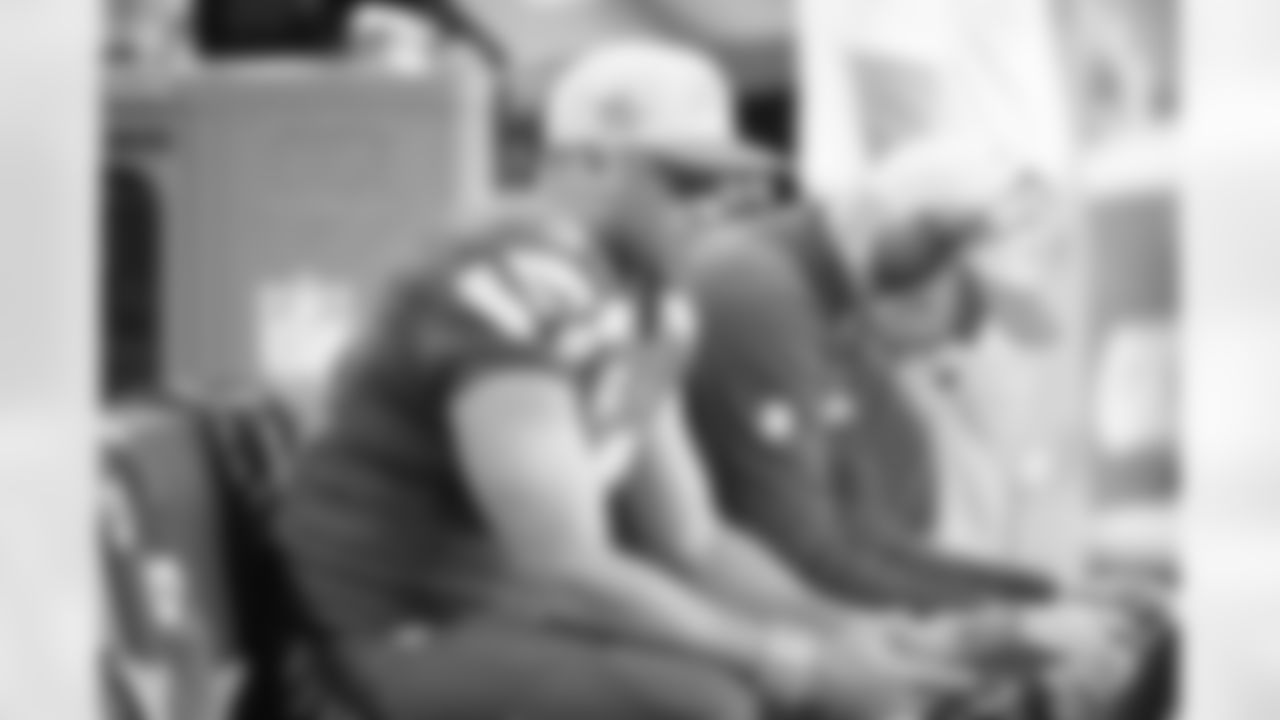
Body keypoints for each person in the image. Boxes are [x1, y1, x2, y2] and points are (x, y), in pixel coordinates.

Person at [276, 38, 971, 720]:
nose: (716, 206)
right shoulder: (508, 280)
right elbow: (564, 566)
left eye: (729, 183)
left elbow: (694, 539)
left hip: (504, 607)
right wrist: (790, 662)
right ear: (591, 159)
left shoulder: (649, 301)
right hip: (398, 623)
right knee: (707, 704)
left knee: (774, 686)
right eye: (688, 181)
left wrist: (840, 628)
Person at [681, 142, 1154, 707]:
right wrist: (1009, 623)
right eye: (969, 317)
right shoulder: (759, 295)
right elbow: (802, 552)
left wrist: (1045, 597)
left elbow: (864, 537)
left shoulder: (818, 305)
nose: (958, 346)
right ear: (926, 279)